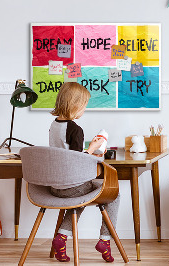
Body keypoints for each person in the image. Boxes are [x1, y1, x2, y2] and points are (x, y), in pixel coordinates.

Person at [49, 82, 119, 263]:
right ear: (75, 105)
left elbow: (66, 154)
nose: (84, 110)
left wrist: (88, 150)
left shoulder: (54, 125)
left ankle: (61, 238)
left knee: (79, 197)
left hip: (55, 186)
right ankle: (105, 240)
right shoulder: (75, 129)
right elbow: (77, 161)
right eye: (84, 105)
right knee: (114, 194)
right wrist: (94, 148)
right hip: (72, 186)